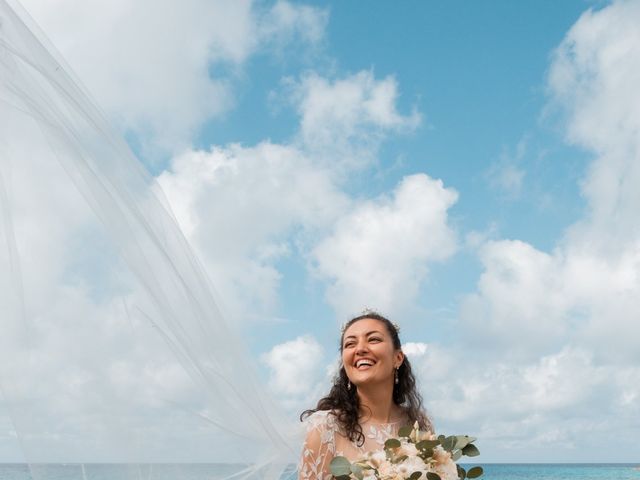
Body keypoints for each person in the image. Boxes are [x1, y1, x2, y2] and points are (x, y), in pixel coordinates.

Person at [298, 311, 434, 480]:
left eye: (373, 339)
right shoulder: (325, 427)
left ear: (397, 358)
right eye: (350, 344)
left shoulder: (419, 424)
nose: (360, 349)